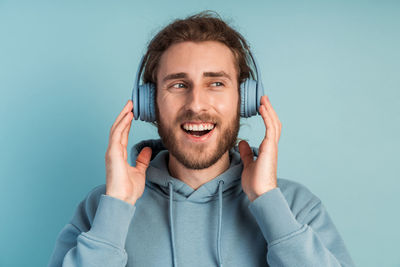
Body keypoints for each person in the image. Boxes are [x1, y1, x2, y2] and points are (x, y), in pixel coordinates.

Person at [48, 11, 355, 267]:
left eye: (216, 83)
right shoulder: (101, 209)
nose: (196, 104)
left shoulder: (296, 207)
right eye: (179, 84)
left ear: (244, 100)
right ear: (149, 103)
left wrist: (268, 202)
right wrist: (117, 207)